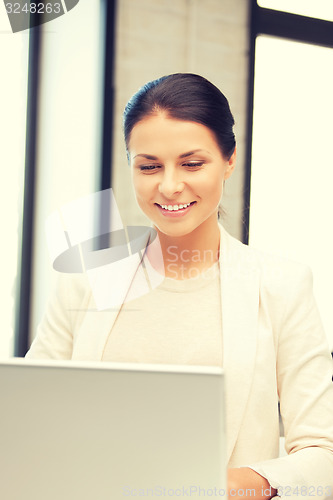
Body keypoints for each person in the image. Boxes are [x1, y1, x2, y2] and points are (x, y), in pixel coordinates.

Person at [26, 73, 333, 499]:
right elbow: (27, 418)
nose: (169, 185)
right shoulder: (86, 280)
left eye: (192, 163)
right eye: (149, 166)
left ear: (229, 160)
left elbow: (323, 452)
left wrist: (241, 484)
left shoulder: (281, 286)